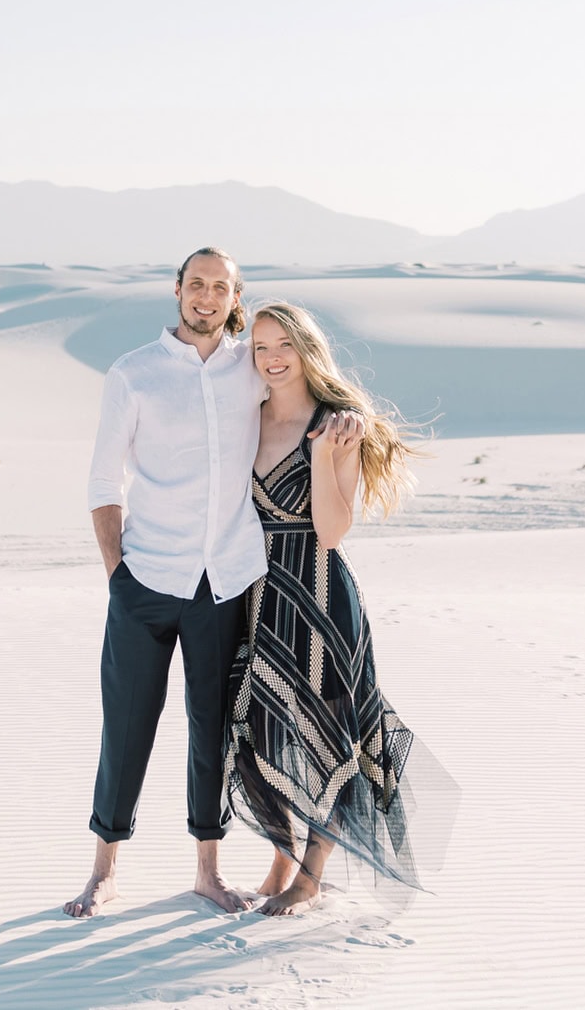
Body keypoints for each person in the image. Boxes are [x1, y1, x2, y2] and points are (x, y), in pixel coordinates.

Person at [65, 249, 361, 918]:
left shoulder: (250, 368)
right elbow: (104, 481)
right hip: (145, 579)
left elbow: (305, 390)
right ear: (177, 290)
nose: (206, 296)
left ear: (235, 298)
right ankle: (103, 871)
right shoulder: (134, 373)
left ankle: (208, 871)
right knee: (127, 726)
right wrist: (118, 577)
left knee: (214, 733)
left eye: (219, 287)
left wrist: (349, 418)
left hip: (224, 585)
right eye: (195, 284)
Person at [226, 300, 450, 916]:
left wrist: (324, 455)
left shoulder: (337, 425)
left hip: (320, 593)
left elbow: (330, 529)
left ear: (306, 350)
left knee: (327, 731)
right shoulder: (246, 415)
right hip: (259, 591)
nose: (272, 359)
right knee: (262, 727)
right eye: (260, 347)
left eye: (284, 346)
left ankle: (311, 875)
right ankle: (282, 856)